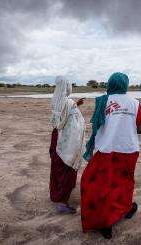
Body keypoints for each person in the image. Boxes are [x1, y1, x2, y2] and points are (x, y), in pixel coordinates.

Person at [81, 72, 141, 239]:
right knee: (124, 182)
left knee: (101, 184)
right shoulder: (135, 103)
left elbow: (97, 125)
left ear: (110, 83)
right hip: (129, 150)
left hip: (107, 149)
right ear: (125, 84)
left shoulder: (103, 101)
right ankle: (125, 209)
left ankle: (106, 222)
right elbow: (139, 129)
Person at [49, 76, 86, 214]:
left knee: (57, 167)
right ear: (67, 87)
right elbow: (70, 118)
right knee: (66, 168)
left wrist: (77, 104)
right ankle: (62, 203)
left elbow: (63, 115)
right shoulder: (68, 103)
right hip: (67, 142)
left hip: (56, 137)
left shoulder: (56, 101)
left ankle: (55, 195)